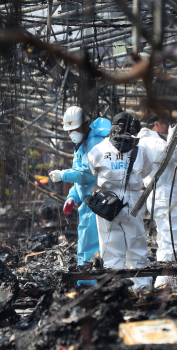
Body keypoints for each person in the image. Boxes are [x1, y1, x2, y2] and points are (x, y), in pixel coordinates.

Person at [87, 112, 153, 289]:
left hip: (107, 201)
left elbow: (93, 169)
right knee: (137, 247)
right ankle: (142, 287)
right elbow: (147, 171)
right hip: (133, 200)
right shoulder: (142, 151)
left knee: (110, 249)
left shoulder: (97, 150)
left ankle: (114, 288)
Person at [48, 106, 111, 285]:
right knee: (84, 241)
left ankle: (91, 282)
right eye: (69, 131)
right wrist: (72, 197)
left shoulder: (95, 143)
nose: (72, 134)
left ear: (85, 125)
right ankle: (83, 280)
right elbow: (80, 179)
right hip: (87, 202)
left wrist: (63, 175)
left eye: (75, 129)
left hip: (98, 201)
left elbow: (87, 175)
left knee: (92, 243)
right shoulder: (81, 144)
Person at [137, 116, 177, 287]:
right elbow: (170, 155)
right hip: (164, 195)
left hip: (167, 194)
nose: (169, 127)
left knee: (174, 239)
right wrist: (175, 135)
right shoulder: (148, 142)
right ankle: (165, 283)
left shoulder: (157, 140)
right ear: (156, 124)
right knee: (171, 240)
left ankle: (171, 280)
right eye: (167, 123)